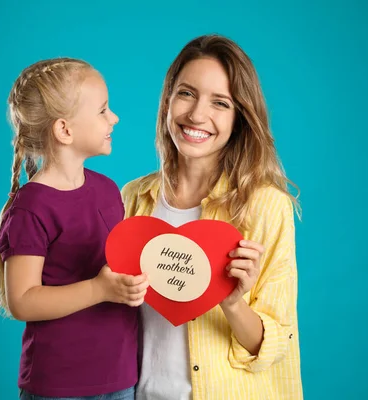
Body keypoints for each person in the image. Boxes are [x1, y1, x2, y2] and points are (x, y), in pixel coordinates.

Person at [121, 35, 303, 399]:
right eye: (187, 93)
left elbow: (271, 347)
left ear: (240, 118)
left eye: (220, 103)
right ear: (167, 100)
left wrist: (232, 301)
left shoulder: (266, 206)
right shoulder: (132, 198)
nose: (197, 115)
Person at [0, 57, 148, 400]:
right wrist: (100, 290)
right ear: (64, 130)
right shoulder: (32, 207)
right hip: (59, 385)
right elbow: (23, 301)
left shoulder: (107, 190)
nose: (114, 118)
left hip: (120, 378)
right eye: (103, 110)